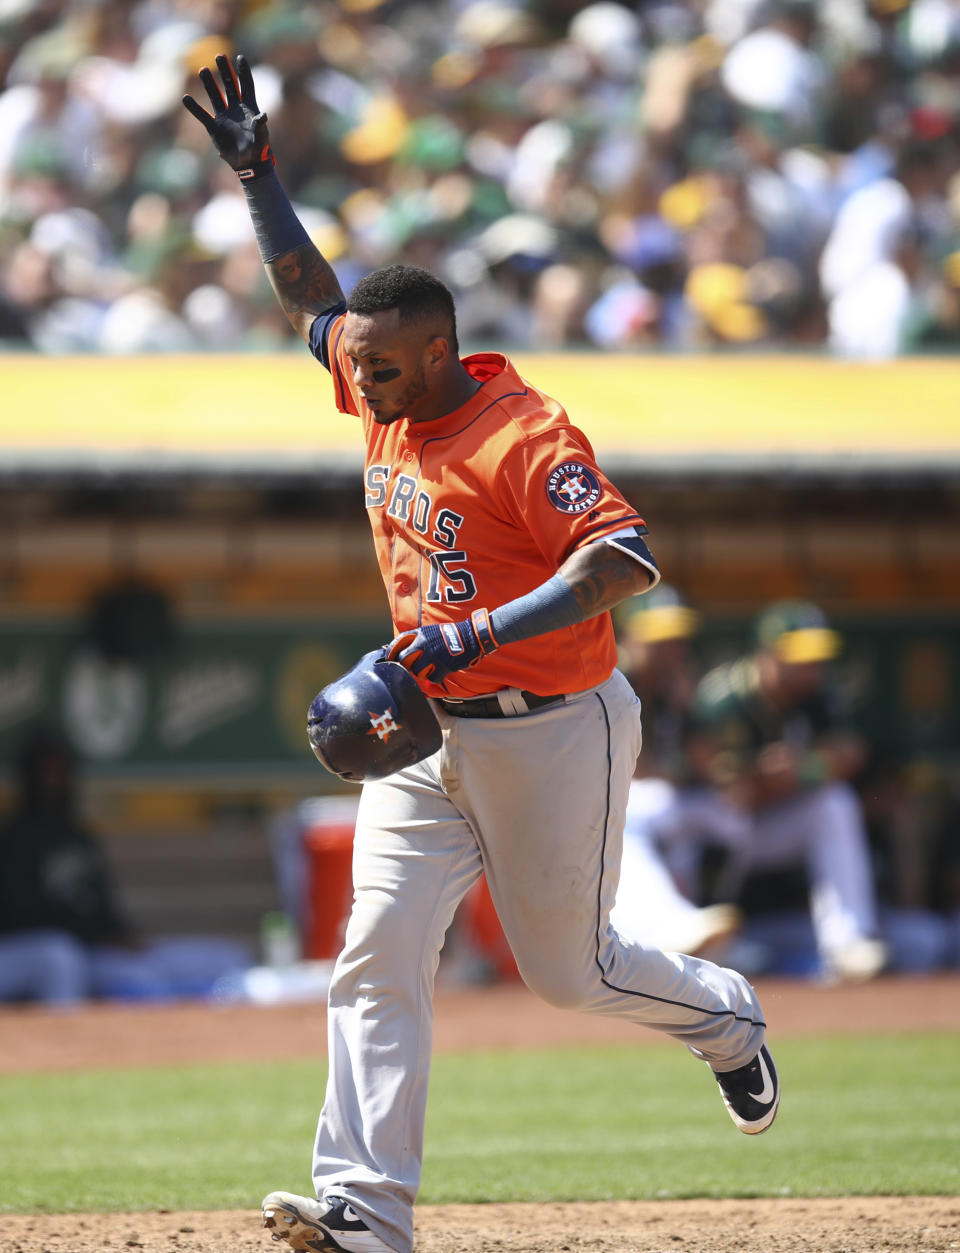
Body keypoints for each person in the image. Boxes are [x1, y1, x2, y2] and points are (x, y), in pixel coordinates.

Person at [183, 55, 779, 1253]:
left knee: (573, 973)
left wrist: (471, 632)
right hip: (431, 726)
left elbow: (626, 560)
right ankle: (366, 1208)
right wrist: (260, 175)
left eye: (384, 363)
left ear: (444, 350)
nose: (359, 379)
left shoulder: (521, 432)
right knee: (377, 950)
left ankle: (729, 1023)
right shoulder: (378, 377)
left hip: (555, 723)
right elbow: (313, 290)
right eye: (356, 362)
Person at [689, 600, 889, 981]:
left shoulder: (819, 693)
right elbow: (718, 782)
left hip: (773, 824)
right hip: (716, 827)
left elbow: (851, 752)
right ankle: (686, 936)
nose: (811, 668)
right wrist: (761, 776)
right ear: (768, 656)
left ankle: (848, 942)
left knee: (834, 802)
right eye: (799, 657)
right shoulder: (724, 698)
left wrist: (804, 768)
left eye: (815, 656)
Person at [0, 728, 252, 1006]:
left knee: (229, 958)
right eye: (47, 773)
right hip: (72, 954)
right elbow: (21, 921)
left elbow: (104, 910)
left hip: (105, 951)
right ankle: (64, 1046)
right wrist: (101, 939)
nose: (55, 782)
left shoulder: (79, 836)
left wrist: (122, 938)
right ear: (30, 777)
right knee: (107, 971)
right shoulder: (14, 839)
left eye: (60, 772)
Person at [610, 585, 744, 957]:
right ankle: (673, 926)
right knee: (648, 806)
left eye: (676, 638)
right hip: (613, 804)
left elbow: (712, 766)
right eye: (658, 638)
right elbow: (628, 768)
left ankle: (729, 933)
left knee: (735, 818)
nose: (671, 648)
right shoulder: (610, 680)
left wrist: (688, 708)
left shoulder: (679, 691)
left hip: (674, 802)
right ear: (629, 637)